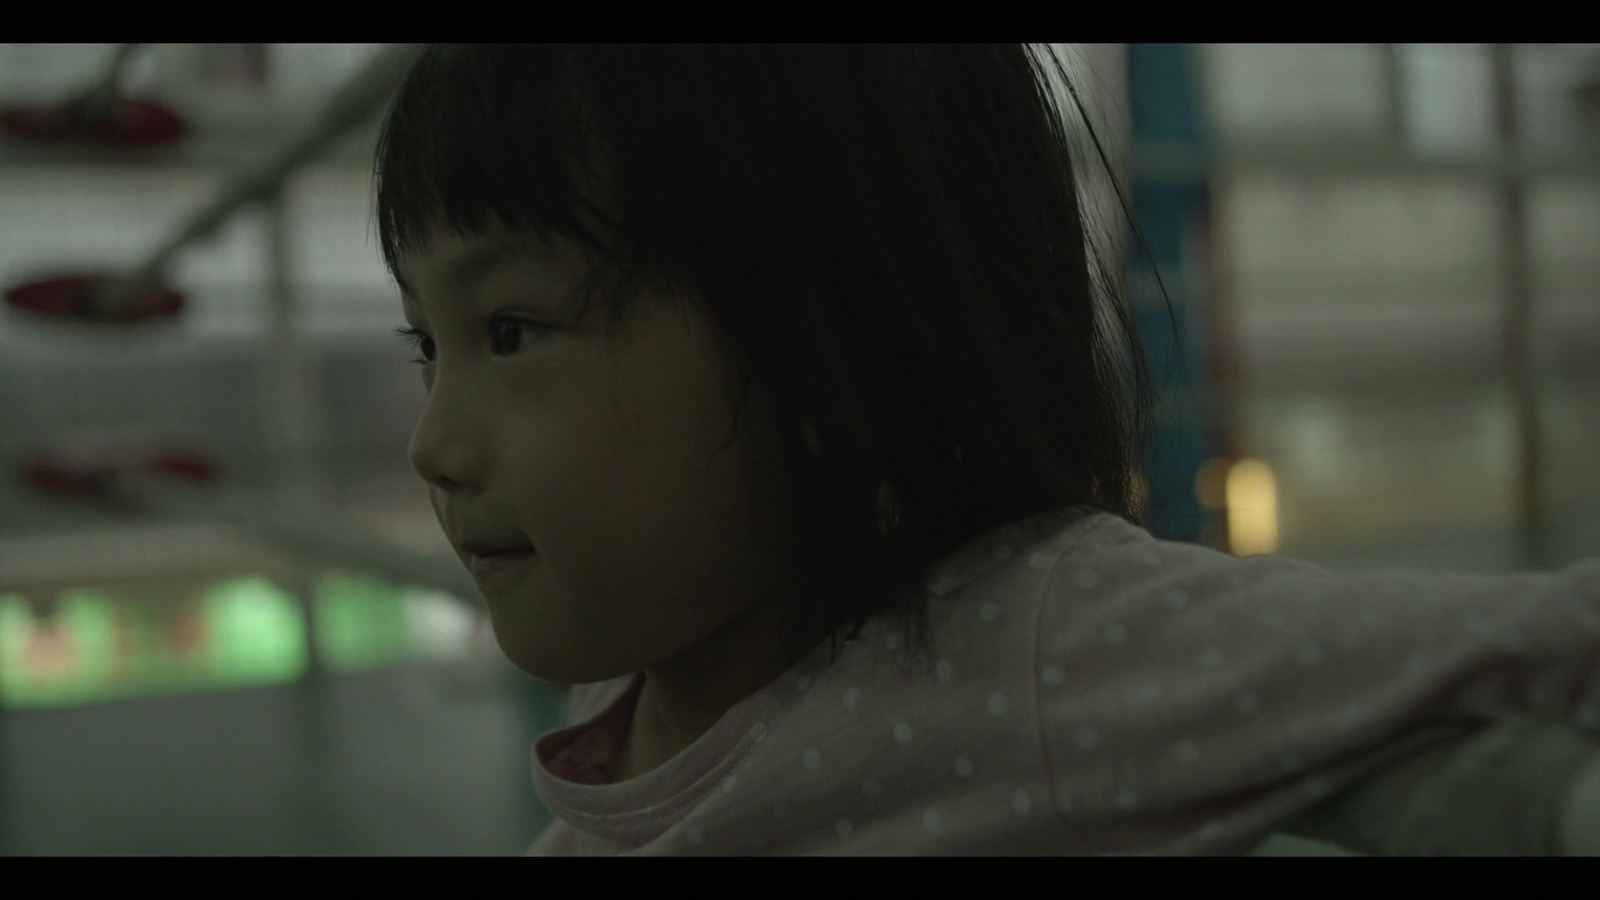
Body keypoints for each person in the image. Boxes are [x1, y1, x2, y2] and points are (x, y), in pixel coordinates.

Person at [372, 43, 1600, 855]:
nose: (433, 441)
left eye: (514, 329)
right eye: (427, 342)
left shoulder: (1027, 644)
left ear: (825, 334)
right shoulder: (629, 703)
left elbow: (1525, 641)